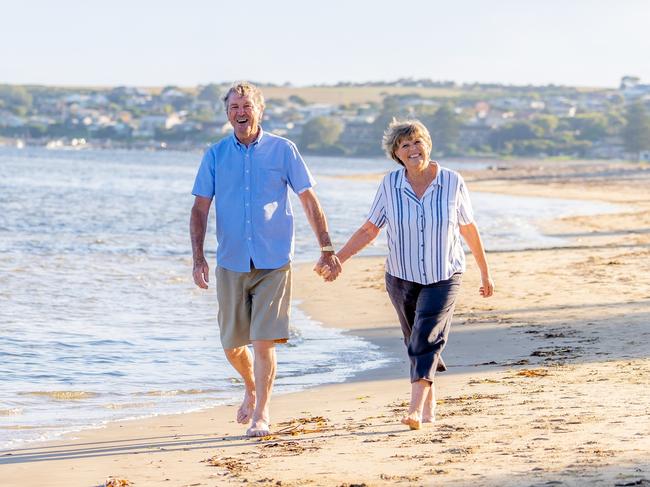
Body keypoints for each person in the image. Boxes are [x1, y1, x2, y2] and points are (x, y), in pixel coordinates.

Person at [316, 119, 494, 430]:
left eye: (417, 142)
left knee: (425, 338)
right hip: (401, 277)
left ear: (428, 145)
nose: (413, 149)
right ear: (397, 153)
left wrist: (484, 271)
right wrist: (338, 259)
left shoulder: (452, 182)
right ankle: (428, 396)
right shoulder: (390, 185)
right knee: (414, 340)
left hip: (444, 274)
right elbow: (370, 228)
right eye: (405, 145)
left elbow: (467, 227)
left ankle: (413, 410)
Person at [190, 81, 342, 437]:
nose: (240, 113)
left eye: (246, 106)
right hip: (231, 261)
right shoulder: (214, 155)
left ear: (260, 109)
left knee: (262, 341)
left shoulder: (283, 150)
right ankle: (251, 385)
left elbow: (308, 200)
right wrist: (198, 258)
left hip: (273, 261)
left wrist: (326, 247)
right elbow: (199, 209)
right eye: (233, 108)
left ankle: (262, 414)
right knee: (231, 345)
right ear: (227, 113)